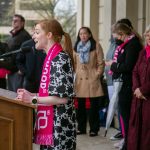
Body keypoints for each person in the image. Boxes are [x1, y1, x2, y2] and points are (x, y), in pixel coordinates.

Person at [16, 19, 76, 150]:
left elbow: (62, 98)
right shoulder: (52, 57)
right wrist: (33, 94)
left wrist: (32, 99)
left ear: (49, 35)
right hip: (53, 128)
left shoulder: (60, 59)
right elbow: (52, 93)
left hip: (59, 130)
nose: (33, 36)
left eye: (37, 32)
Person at [105, 23, 143, 150]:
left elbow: (128, 66)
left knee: (127, 117)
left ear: (121, 33)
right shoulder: (126, 44)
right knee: (124, 116)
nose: (114, 37)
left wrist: (113, 65)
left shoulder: (132, 45)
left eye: (115, 34)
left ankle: (128, 144)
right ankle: (127, 142)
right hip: (123, 85)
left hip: (127, 86)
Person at [73, 27, 104, 136]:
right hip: (80, 79)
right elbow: (74, 63)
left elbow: (101, 63)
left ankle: (94, 129)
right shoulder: (76, 47)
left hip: (92, 77)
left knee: (93, 106)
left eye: (85, 33)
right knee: (79, 106)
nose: (83, 36)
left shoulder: (96, 46)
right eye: (81, 34)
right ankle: (81, 128)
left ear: (90, 34)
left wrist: (97, 74)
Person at [127, 25, 150, 150]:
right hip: (138, 98)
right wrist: (136, 89)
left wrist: (142, 90)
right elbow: (135, 71)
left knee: (147, 130)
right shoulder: (142, 52)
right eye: (147, 34)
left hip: (148, 98)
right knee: (136, 129)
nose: (149, 37)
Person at [0, 14, 31, 92]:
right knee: (10, 94)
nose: (14, 23)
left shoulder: (25, 36)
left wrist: (22, 69)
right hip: (10, 70)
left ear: (22, 23)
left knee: (16, 95)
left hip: (18, 72)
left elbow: (29, 54)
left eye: (16, 21)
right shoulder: (12, 36)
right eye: (13, 21)